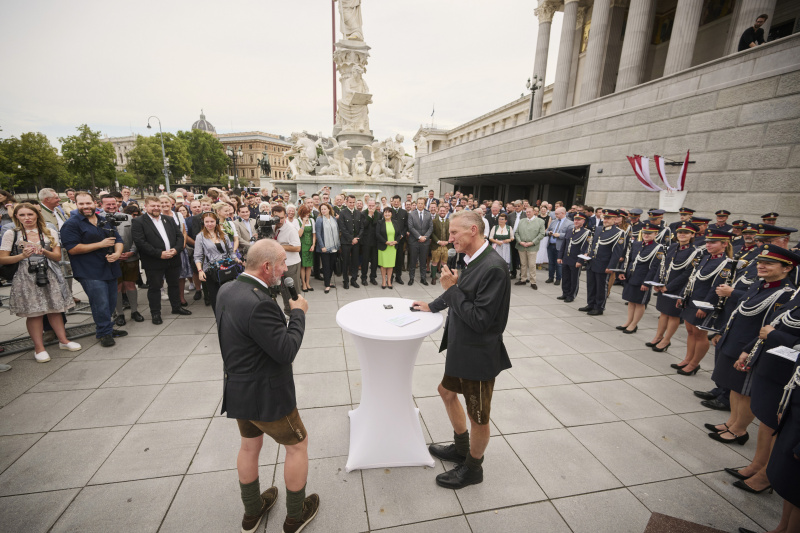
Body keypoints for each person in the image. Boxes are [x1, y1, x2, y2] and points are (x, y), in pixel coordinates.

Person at [214, 239, 319, 533]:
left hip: (237, 388)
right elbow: (286, 350)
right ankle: (295, 517)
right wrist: (298, 313)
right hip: (268, 396)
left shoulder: (227, 289)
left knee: (249, 446)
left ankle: (252, 513)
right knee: (298, 446)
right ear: (267, 267)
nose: (287, 269)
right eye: (283, 263)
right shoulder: (260, 303)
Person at [411, 210, 512, 489]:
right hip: (462, 348)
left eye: (454, 233)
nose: (449, 237)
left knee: (478, 416)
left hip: (478, 355)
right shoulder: (472, 259)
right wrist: (433, 305)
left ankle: (473, 468)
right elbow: (461, 291)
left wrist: (451, 289)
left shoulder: (493, 268)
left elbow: (480, 319)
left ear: (473, 232)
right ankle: (460, 447)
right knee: (446, 392)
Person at [705, 245, 797, 453]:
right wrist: (722, 333)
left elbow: (767, 326)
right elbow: (739, 313)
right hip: (735, 341)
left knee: (745, 392)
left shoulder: (785, 294)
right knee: (734, 388)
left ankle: (739, 429)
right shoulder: (760, 285)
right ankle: (731, 422)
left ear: (787, 268)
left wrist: (749, 349)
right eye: (761, 262)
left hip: (750, 348)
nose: (761, 266)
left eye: (769, 263)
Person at [0, 203, 81, 362]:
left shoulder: (48, 231)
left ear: (37, 214)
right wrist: (22, 256)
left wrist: (44, 251)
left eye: (30, 214)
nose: (27, 218)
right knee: (34, 313)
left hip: (49, 272)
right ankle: (39, 348)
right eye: (22, 215)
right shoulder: (12, 233)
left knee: (55, 309)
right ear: (16, 216)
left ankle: (63, 341)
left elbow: (58, 257)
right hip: (26, 275)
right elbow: (2, 258)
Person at [60, 191, 128, 347]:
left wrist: (117, 253)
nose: (85, 206)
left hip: (110, 267)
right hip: (89, 271)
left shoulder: (104, 220)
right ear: (76, 204)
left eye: (88, 203)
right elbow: (72, 248)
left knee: (111, 302)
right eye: (81, 204)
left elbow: (117, 239)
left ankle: (108, 329)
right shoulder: (71, 224)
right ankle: (104, 333)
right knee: (100, 303)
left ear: (95, 203)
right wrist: (100, 244)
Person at [675, 228, 734, 375]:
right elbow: (692, 279)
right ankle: (688, 359)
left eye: (713, 243)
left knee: (699, 334)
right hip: (691, 300)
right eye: (708, 242)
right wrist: (682, 296)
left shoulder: (725, 263)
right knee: (690, 331)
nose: (708, 245)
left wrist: (706, 307)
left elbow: (717, 287)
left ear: (725, 244)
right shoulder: (706, 258)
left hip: (703, 304)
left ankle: (694, 364)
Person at [131, 196, 192, 325]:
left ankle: (176, 307)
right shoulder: (139, 222)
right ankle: (155, 313)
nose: (156, 208)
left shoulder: (169, 219)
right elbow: (140, 242)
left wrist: (176, 250)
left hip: (173, 258)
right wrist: (159, 254)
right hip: (154, 261)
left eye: (158, 205)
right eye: (153, 206)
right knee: (155, 287)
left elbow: (179, 236)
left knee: (174, 284)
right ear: (145, 207)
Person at [649, 222, 701, 352]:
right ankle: (658, 337)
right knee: (663, 313)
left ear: (692, 235)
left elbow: (687, 273)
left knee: (673, 315)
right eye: (679, 232)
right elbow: (662, 266)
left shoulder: (694, 252)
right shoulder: (672, 247)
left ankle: (666, 340)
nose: (682, 235)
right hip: (664, 286)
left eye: (686, 233)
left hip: (677, 289)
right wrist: (657, 282)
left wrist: (669, 287)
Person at [617, 222, 663, 334]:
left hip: (642, 279)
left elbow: (654, 268)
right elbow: (629, 259)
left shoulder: (658, 248)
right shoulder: (637, 244)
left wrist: (647, 283)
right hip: (631, 276)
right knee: (631, 301)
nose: (646, 235)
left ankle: (634, 324)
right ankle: (628, 322)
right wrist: (623, 271)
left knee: (639, 303)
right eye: (645, 233)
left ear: (656, 234)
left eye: (649, 233)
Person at [580, 209, 625, 316]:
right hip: (592, 262)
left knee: (601, 287)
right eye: (605, 218)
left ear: (615, 219)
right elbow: (593, 244)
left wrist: (611, 266)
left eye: (609, 218)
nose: (605, 220)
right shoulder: (598, 229)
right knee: (591, 285)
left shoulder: (619, 233)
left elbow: (617, 252)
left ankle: (599, 307)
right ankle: (590, 304)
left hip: (604, 264)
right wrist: (588, 254)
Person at [195, 211, 238, 312]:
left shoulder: (222, 234)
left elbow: (231, 252)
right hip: (211, 270)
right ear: (203, 223)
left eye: (212, 221)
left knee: (229, 295)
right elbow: (197, 256)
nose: (209, 224)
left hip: (226, 268)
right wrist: (200, 271)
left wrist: (237, 260)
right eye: (207, 222)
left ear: (216, 222)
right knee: (215, 297)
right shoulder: (200, 237)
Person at [272, 204, 302, 313]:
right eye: (277, 218)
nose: (280, 220)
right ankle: (288, 311)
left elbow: (297, 247)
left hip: (291, 264)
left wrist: (278, 245)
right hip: (279, 264)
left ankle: (298, 312)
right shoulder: (273, 226)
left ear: (285, 216)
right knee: (283, 290)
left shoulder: (290, 229)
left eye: (282, 217)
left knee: (293, 290)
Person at [162, 196, 191, 307]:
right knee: (169, 276)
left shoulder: (178, 215)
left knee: (181, 275)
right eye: (162, 203)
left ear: (171, 204)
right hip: (164, 250)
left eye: (166, 202)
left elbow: (183, 231)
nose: (164, 205)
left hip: (179, 249)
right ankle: (172, 298)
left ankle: (181, 297)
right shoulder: (157, 216)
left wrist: (181, 245)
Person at [557, 212, 591, 302]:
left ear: (583, 221)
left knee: (574, 279)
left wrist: (580, 261)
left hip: (575, 259)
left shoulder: (586, 233)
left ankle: (571, 295)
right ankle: (565, 293)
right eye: (575, 219)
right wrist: (560, 257)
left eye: (578, 220)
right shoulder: (569, 231)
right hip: (566, 258)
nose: (576, 221)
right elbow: (563, 245)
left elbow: (585, 248)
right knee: (565, 277)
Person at [514, 206, 546, 289]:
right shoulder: (522, 221)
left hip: (532, 247)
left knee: (532, 265)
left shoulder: (540, 221)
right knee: (523, 264)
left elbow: (542, 234)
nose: (528, 213)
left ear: (534, 212)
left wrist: (532, 242)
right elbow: (516, 233)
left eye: (529, 212)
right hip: (521, 246)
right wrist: (520, 241)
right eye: (526, 212)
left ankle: (533, 281)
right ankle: (523, 279)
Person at [337, 195, 364, 289]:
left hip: (356, 242)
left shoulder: (358, 213)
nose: (352, 204)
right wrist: (351, 239)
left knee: (355, 262)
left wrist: (357, 238)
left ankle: (354, 280)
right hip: (346, 242)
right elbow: (342, 228)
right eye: (350, 202)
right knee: (346, 262)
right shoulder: (342, 213)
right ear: (346, 202)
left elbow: (361, 227)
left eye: (353, 202)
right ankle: (346, 281)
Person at [315, 203, 340, 294]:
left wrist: (338, 244)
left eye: (325, 209)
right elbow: (318, 234)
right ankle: (327, 285)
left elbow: (337, 231)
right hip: (325, 248)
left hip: (334, 246)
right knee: (326, 266)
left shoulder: (333, 219)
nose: (323, 211)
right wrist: (322, 246)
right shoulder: (319, 220)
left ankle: (328, 281)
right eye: (322, 209)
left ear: (329, 209)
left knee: (332, 266)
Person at [407, 197, 433, 286]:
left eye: (422, 203)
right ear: (416, 204)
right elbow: (410, 227)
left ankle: (423, 278)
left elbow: (431, 227)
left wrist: (425, 237)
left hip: (424, 242)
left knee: (423, 261)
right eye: (419, 203)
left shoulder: (428, 214)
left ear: (424, 204)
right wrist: (419, 236)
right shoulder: (411, 214)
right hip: (414, 241)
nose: (420, 205)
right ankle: (411, 278)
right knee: (413, 261)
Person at [377, 206, 403, 289]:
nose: (387, 214)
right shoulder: (380, 222)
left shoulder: (396, 222)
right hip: (384, 246)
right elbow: (377, 234)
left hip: (393, 247)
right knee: (384, 265)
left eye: (389, 212)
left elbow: (399, 234)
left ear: (391, 214)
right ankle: (384, 281)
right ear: (383, 213)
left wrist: (396, 241)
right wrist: (386, 242)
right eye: (385, 212)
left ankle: (389, 281)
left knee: (391, 265)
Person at [545, 207, 572, 285]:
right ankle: (550, 277)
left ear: (563, 213)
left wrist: (560, 235)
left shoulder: (569, 223)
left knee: (559, 263)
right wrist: (549, 233)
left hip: (560, 246)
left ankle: (558, 278)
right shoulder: (553, 221)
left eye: (557, 214)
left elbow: (570, 235)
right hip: (551, 245)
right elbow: (546, 231)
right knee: (551, 262)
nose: (555, 215)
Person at [430, 203, 452, 285]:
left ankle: (443, 278)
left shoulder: (449, 221)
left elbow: (451, 233)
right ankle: (433, 278)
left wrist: (448, 241)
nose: (442, 212)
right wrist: (438, 241)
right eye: (441, 210)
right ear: (438, 211)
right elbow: (432, 233)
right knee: (434, 262)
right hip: (436, 245)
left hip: (446, 246)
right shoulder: (434, 221)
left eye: (444, 210)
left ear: (446, 211)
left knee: (444, 263)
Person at [360, 199, 380, 286]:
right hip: (366, 241)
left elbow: (379, 226)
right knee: (365, 261)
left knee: (374, 261)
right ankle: (363, 278)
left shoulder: (379, 214)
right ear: (367, 205)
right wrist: (369, 215)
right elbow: (363, 225)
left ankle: (373, 277)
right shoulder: (363, 213)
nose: (371, 207)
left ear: (375, 206)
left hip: (375, 242)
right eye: (370, 206)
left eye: (373, 206)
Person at [296, 205, 316, 292]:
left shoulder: (312, 220)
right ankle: (303, 283)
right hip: (302, 245)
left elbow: (314, 234)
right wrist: (303, 223)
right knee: (302, 266)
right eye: (306, 213)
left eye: (308, 213)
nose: (308, 215)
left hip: (310, 245)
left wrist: (313, 245)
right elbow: (299, 234)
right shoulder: (298, 221)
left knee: (309, 265)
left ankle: (308, 283)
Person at [390, 195, 409, 284]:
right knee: (391, 259)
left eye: (398, 201)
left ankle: (398, 276)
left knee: (399, 259)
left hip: (400, 240)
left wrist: (402, 234)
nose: (396, 203)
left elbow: (406, 226)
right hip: (391, 241)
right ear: (392, 202)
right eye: (394, 201)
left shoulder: (404, 212)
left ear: (400, 202)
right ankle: (390, 277)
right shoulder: (388, 211)